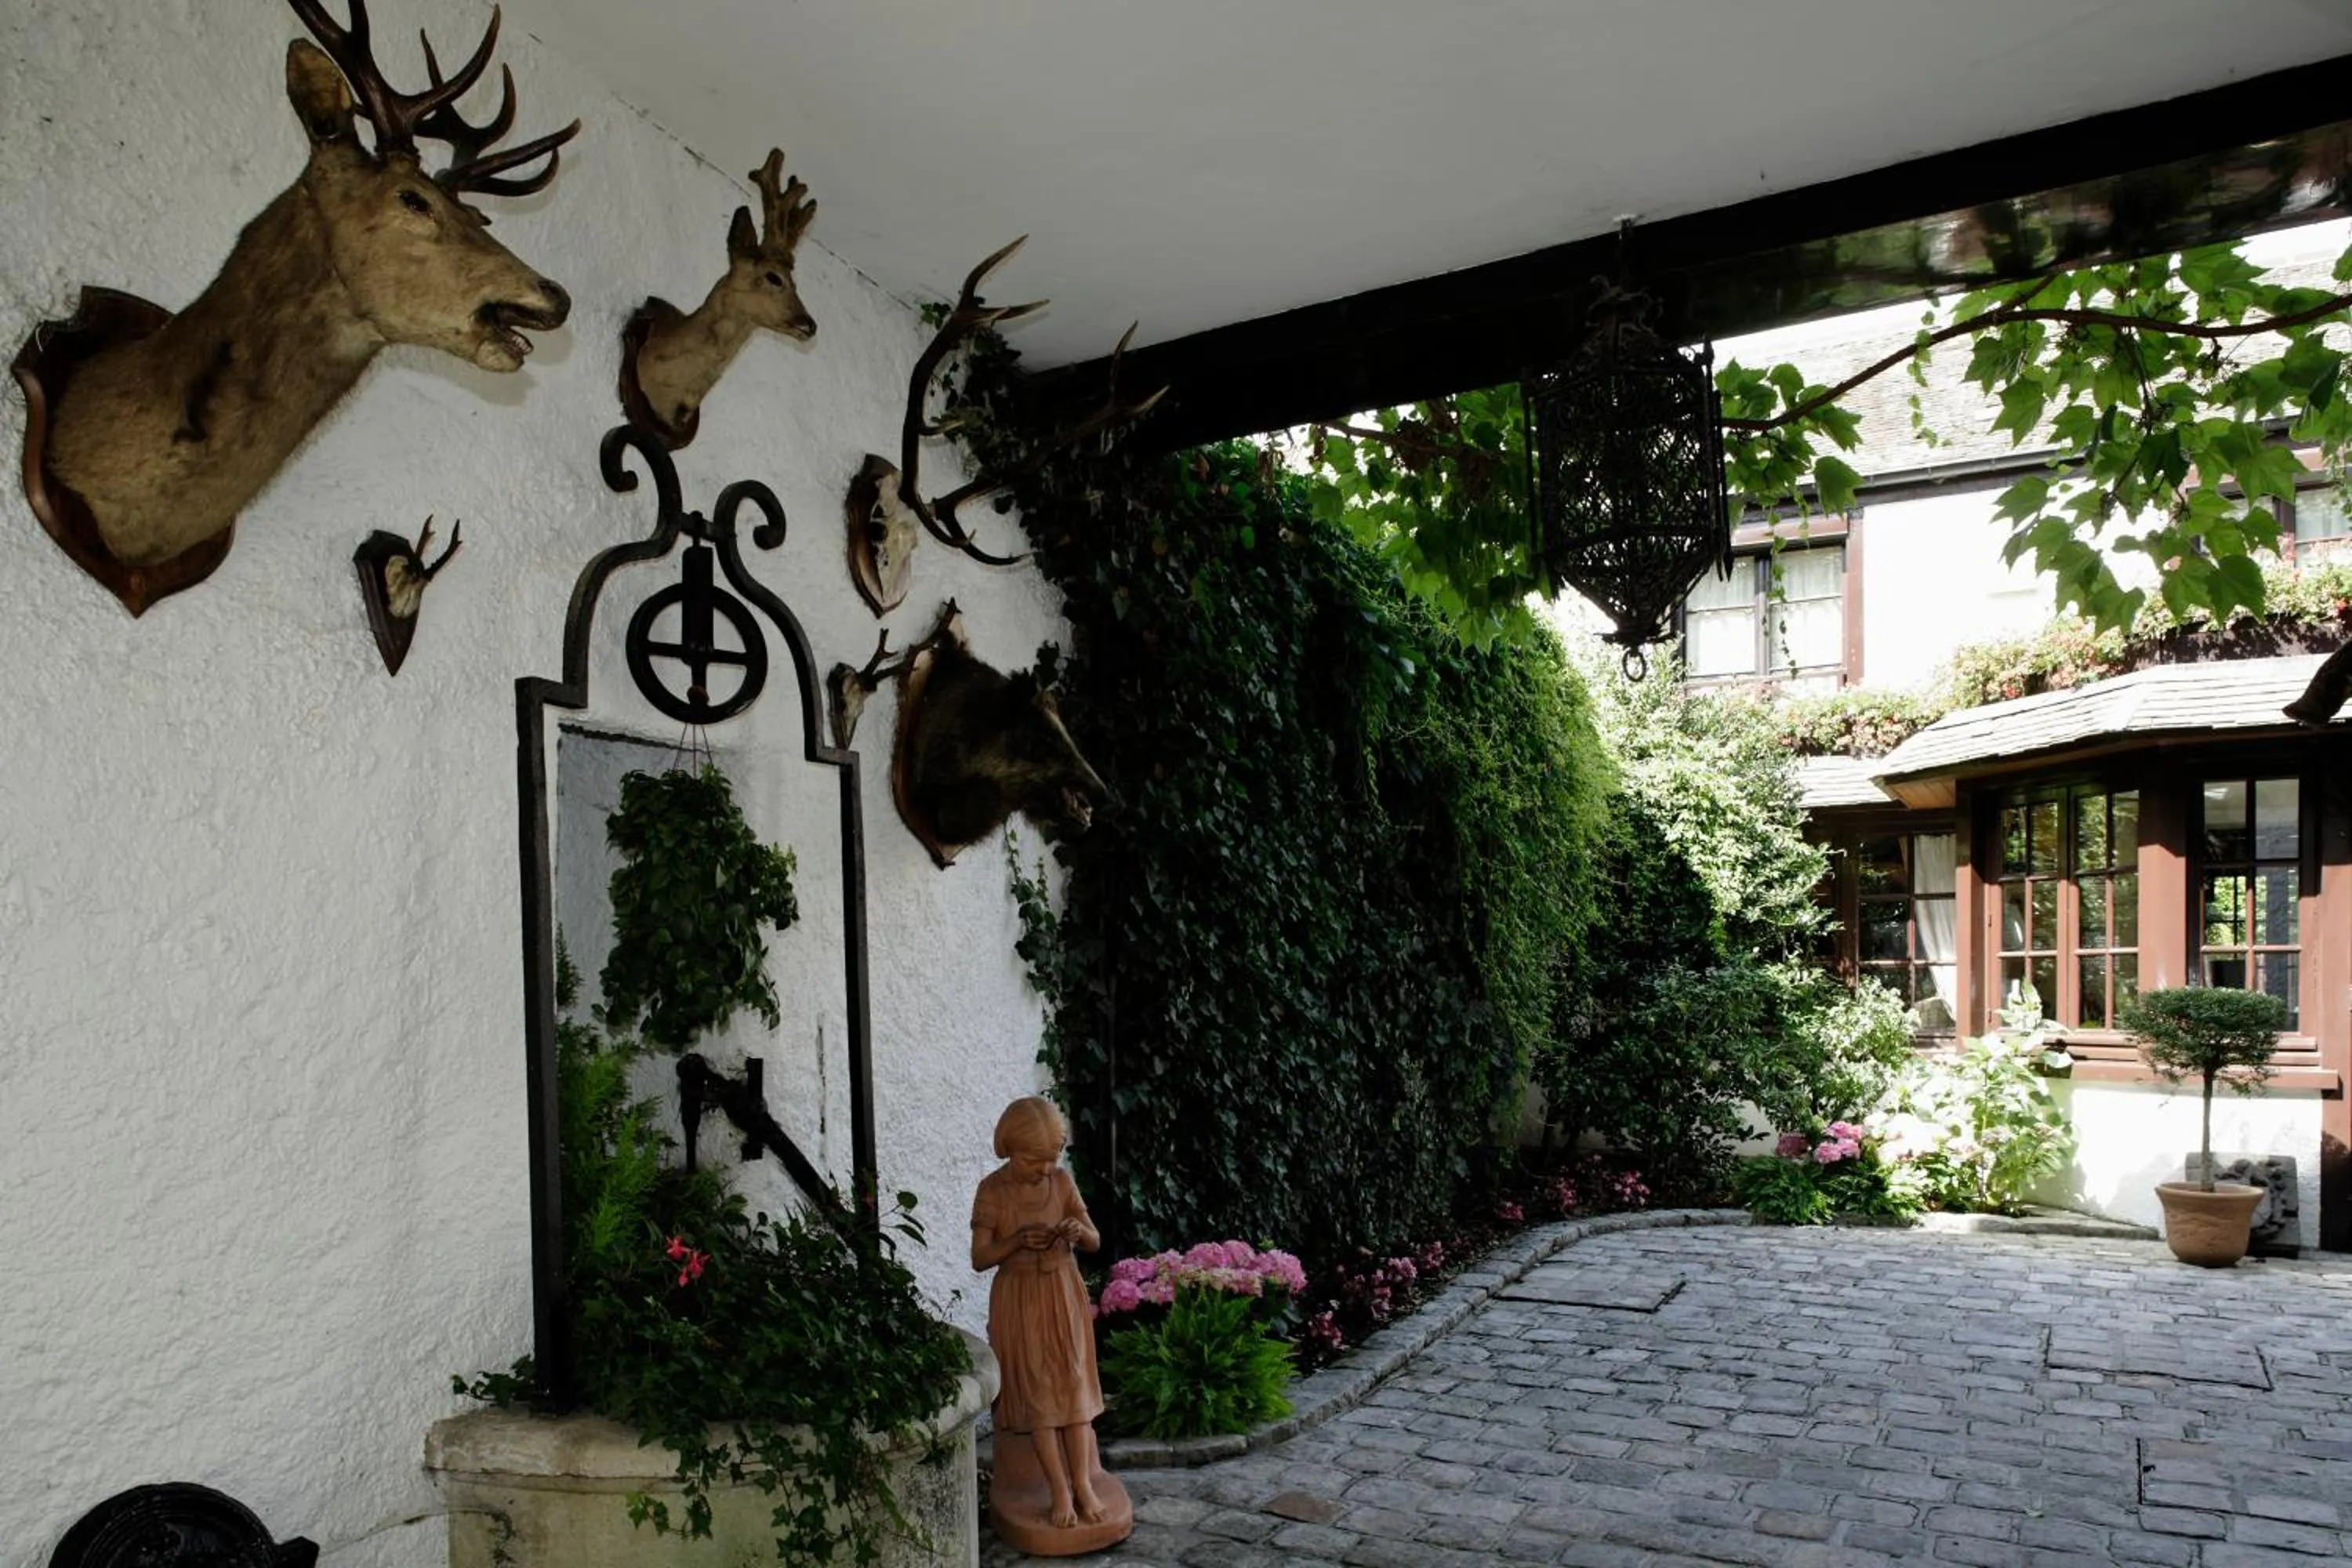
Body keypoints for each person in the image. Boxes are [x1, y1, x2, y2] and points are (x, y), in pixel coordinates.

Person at [971, 1096, 1108, 1531]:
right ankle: (1060, 1489)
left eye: (1052, 1159)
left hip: (1062, 1292)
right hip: (1021, 1300)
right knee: (1040, 1400)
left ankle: (1084, 1484)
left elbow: (1095, 1240)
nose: (1046, 1169)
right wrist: (1015, 1243)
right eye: (1035, 1160)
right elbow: (979, 1257)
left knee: (1074, 1391)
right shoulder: (993, 1190)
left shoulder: (1062, 1183)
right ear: (1011, 1148)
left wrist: (1077, 1231)